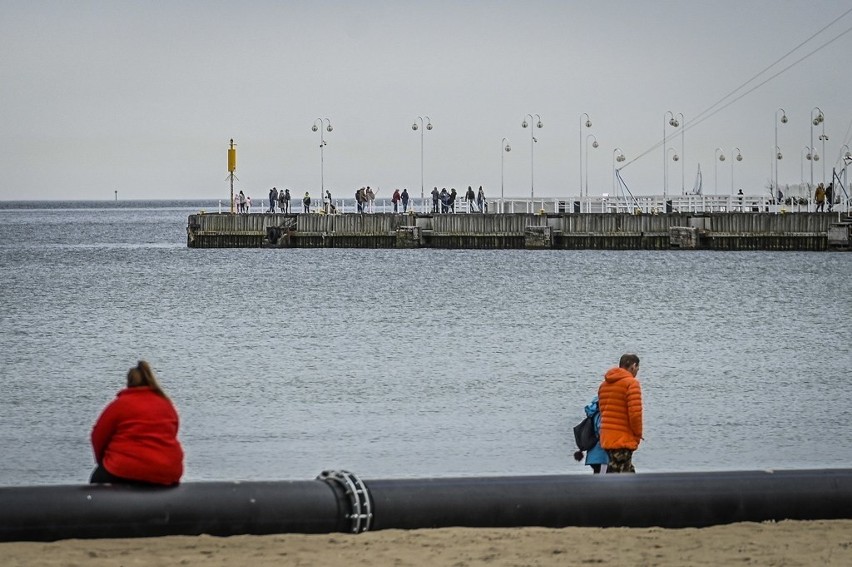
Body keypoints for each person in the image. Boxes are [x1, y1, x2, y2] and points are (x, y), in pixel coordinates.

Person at [90, 361, 184, 485]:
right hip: (167, 472)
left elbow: (97, 436)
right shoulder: (167, 404)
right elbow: (173, 432)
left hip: (125, 469)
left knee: (97, 479)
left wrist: (103, 461)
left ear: (129, 383)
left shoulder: (120, 404)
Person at [598, 353, 643, 473]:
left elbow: (603, 411)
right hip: (623, 438)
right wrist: (638, 435)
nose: (637, 372)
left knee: (618, 471)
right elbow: (635, 414)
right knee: (621, 477)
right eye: (637, 368)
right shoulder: (632, 383)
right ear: (633, 366)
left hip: (607, 437)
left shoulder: (604, 385)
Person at [573, 396, 608, 474]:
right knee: (604, 478)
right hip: (602, 455)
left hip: (593, 454)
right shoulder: (602, 416)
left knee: (597, 476)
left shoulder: (593, 415)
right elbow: (602, 431)